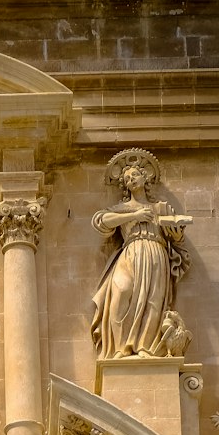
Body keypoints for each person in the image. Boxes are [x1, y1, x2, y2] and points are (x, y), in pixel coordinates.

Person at [90, 149, 191, 360]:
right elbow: (102, 221)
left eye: (134, 175)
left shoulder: (161, 207)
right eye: (127, 178)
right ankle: (119, 348)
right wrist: (134, 214)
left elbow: (177, 243)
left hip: (156, 254)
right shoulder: (122, 208)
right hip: (130, 254)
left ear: (145, 177)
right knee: (121, 292)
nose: (131, 180)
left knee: (153, 300)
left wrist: (177, 236)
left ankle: (145, 346)